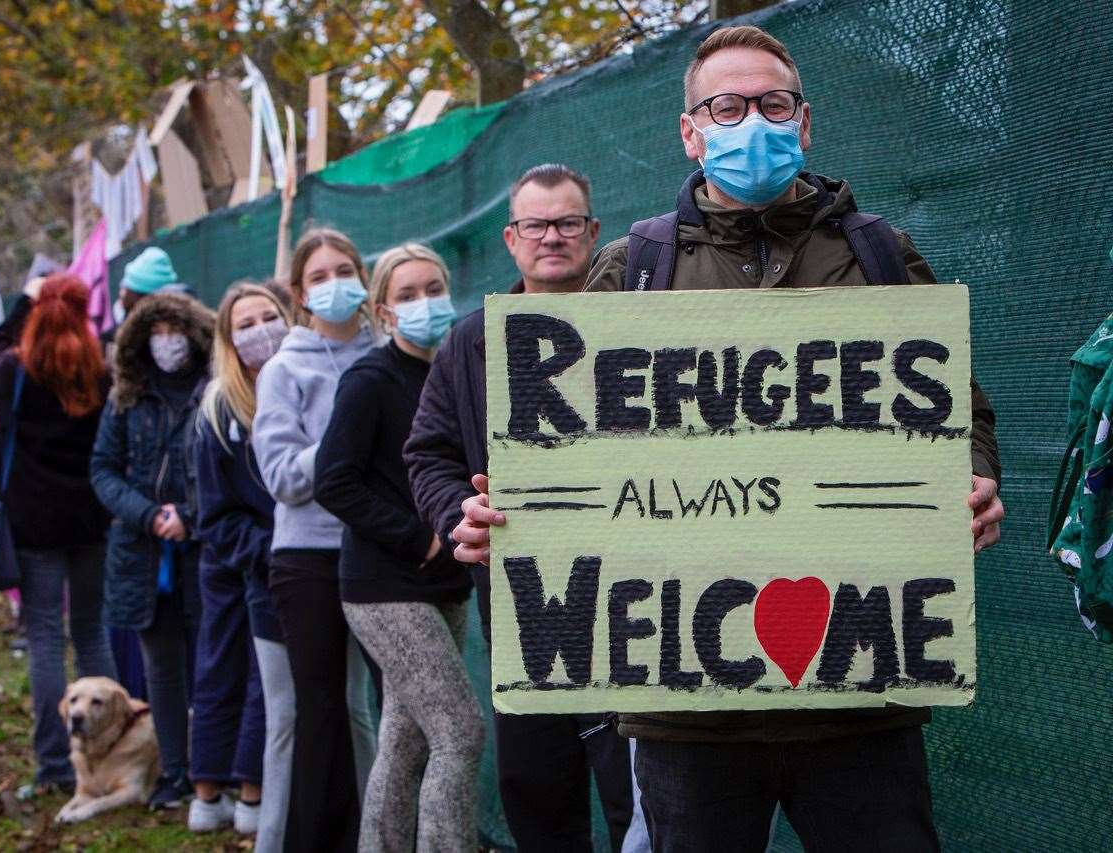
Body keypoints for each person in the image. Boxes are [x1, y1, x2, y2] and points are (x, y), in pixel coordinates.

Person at [451, 27, 1006, 852]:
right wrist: (511, 515)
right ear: (690, 130)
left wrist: (973, 477)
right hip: (684, 710)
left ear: (804, 122)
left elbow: (961, 413)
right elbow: (560, 452)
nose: (752, 120)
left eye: (771, 103)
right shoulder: (631, 267)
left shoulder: (881, 255)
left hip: (862, 691)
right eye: (727, 105)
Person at [404, 164, 634, 852]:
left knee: (636, 794)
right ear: (511, 239)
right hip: (521, 604)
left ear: (593, 232)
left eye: (568, 222)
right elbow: (429, 455)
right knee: (538, 792)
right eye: (536, 224)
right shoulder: (471, 342)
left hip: (635, 604)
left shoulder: (644, 329)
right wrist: (456, 514)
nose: (553, 237)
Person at [314, 244, 481, 851]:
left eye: (433, 288)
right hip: (383, 587)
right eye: (407, 295)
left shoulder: (458, 373)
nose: (425, 304)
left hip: (445, 585)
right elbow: (333, 480)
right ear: (383, 313)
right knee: (461, 733)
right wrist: (423, 538)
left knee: (404, 740)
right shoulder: (368, 380)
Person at [252, 228, 379, 853]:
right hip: (308, 560)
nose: (334, 285)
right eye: (319, 277)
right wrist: (344, 444)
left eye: (344, 270)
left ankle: (376, 836)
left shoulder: (389, 355)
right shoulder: (283, 370)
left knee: (378, 712)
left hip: (384, 553)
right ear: (300, 296)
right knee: (321, 709)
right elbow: (281, 478)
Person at [0, 273, 118, 797]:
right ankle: (106, 751)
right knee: (91, 631)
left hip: (33, 522)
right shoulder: (99, 373)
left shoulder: (15, 372)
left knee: (43, 635)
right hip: (91, 519)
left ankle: (54, 765)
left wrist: (25, 299)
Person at [90, 290, 213, 810]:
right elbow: (103, 469)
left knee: (209, 664)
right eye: (157, 333)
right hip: (140, 557)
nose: (168, 343)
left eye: (176, 332)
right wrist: (148, 514)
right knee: (161, 668)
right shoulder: (126, 398)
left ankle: (212, 769)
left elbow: (226, 472)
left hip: (202, 550)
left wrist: (190, 517)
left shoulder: (214, 393)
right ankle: (175, 772)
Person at [186, 280, 292, 839]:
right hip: (244, 571)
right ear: (228, 339)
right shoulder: (217, 412)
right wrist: (270, 549)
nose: (259, 332)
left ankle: (256, 794)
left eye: (268, 317)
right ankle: (217, 791)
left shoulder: (307, 384)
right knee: (230, 675)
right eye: (244, 325)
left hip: (308, 571)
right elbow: (216, 516)